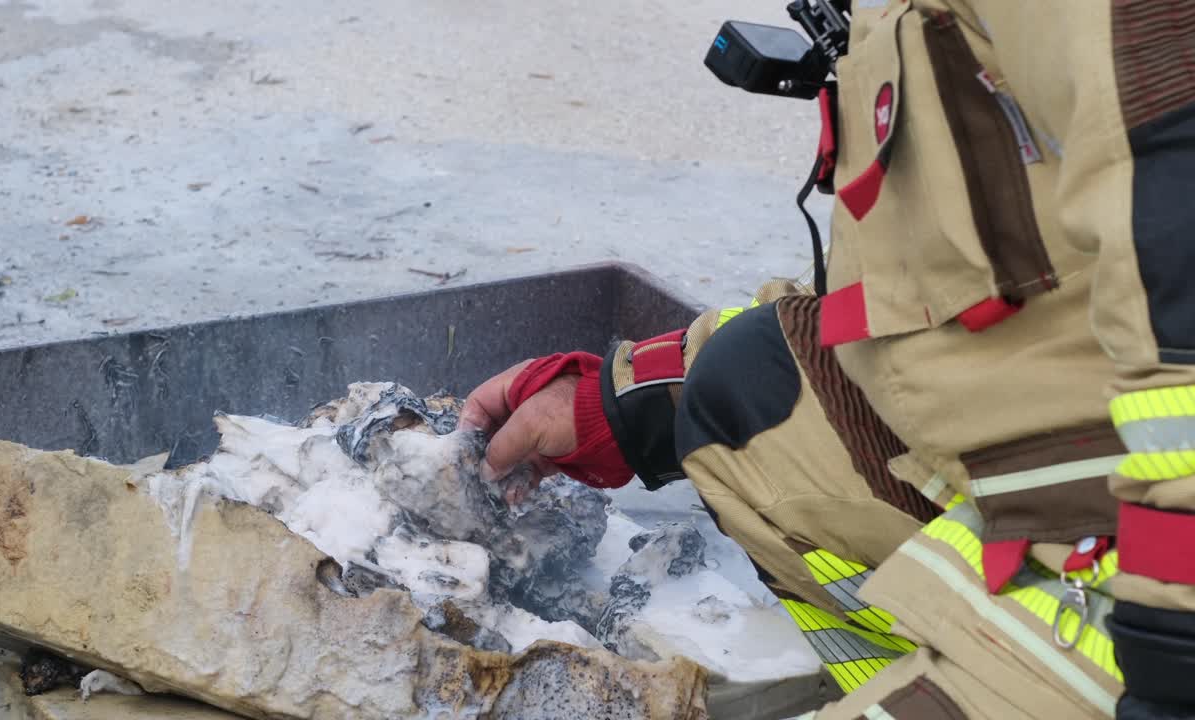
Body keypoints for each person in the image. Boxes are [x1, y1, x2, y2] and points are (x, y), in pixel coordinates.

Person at [461, 1, 1195, 718]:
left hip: (1148, 591)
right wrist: (629, 404)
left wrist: (1167, 657)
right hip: (1075, 489)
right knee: (743, 394)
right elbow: (933, 279)